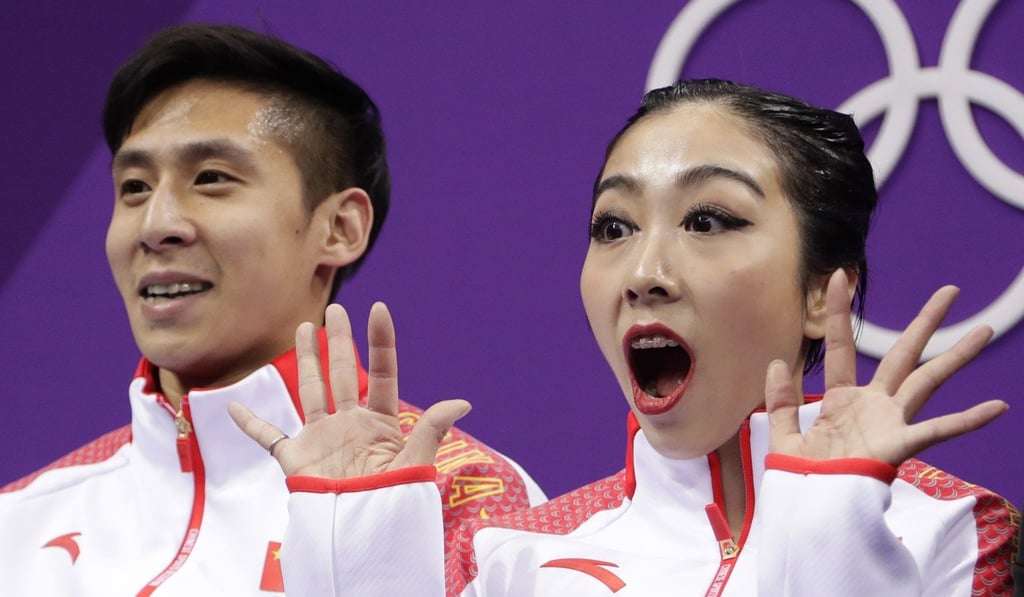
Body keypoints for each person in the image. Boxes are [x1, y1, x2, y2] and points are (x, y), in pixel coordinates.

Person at [235, 79, 1019, 595]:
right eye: (614, 226)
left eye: (708, 219)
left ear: (823, 291)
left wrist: (830, 531)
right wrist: (349, 556)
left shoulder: (957, 529)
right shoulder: (511, 552)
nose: (644, 270)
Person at [0, 23, 544, 595]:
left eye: (211, 179)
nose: (156, 226)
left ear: (338, 228)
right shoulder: (18, 521)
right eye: (134, 187)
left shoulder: (470, 501)